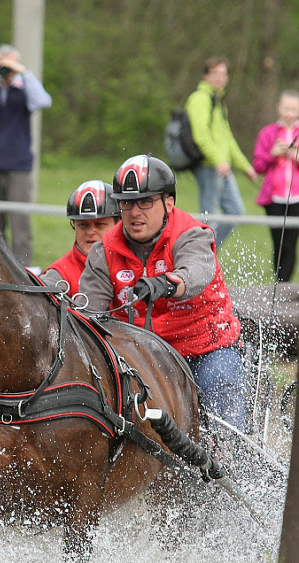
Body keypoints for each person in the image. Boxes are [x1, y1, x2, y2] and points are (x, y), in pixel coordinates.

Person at [79, 154, 246, 431]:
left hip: (203, 350)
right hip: (140, 358)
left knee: (220, 383)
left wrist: (167, 283)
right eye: (127, 203)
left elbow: (196, 272)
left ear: (169, 202)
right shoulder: (103, 250)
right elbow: (90, 316)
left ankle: (232, 461)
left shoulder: (192, 234)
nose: (135, 212)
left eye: (146, 202)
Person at [0, 44, 52, 266]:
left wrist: (24, 73)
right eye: (3, 65)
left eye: (10, 65)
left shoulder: (25, 88)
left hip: (18, 164)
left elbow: (43, 101)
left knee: (20, 222)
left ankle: (23, 268)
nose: (7, 70)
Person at [185, 56, 257, 249]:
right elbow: (201, 135)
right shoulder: (199, 99)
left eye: (223, 74)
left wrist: (245, 166)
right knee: (210, 218)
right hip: (209, 167)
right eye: (215, 73)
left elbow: (227, 138)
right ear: (206, 75)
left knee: (235, 211)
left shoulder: (217, 101)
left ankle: (204, 254)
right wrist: (218, 160)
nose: (220, 78)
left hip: (222, 167)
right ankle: (200, 257)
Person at [41, 180, 120, 296]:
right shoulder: (59, 275)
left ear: (118, 225)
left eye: (99, 225)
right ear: (74, 228)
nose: (90, 232)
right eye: (83, 225)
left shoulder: (135, 262)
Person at [253, 89, 299, 282]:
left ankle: (285, 286)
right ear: (278, 108)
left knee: (290, 244)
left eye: (293, 109)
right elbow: (258, 166)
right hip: (273, 199)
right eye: (285, 108)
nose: (289, 112)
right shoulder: (268, 132)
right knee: (278, 244)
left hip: (296, 198)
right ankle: (279, 285)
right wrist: (272, 153)